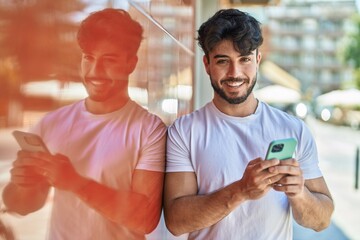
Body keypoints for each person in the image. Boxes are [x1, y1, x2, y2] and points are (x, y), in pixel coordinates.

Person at [163, 9, 334, 240]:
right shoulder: (183, 132)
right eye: (223, 61)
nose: (235, 73)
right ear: (206, 64)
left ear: (258, 60)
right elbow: (176, 221)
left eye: (244, 59)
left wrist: (299, 193)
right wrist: (241, 190)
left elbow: (322, 220)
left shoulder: (293, 129)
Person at [2, 8, 167, 240]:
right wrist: (23, 184)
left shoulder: (150, 131)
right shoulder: (51, 124)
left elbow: (145, 218)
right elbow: (22, 205)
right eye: (88, 58)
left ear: (131, 63)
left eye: (108, 60)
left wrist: (76, 182)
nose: (95, 71)